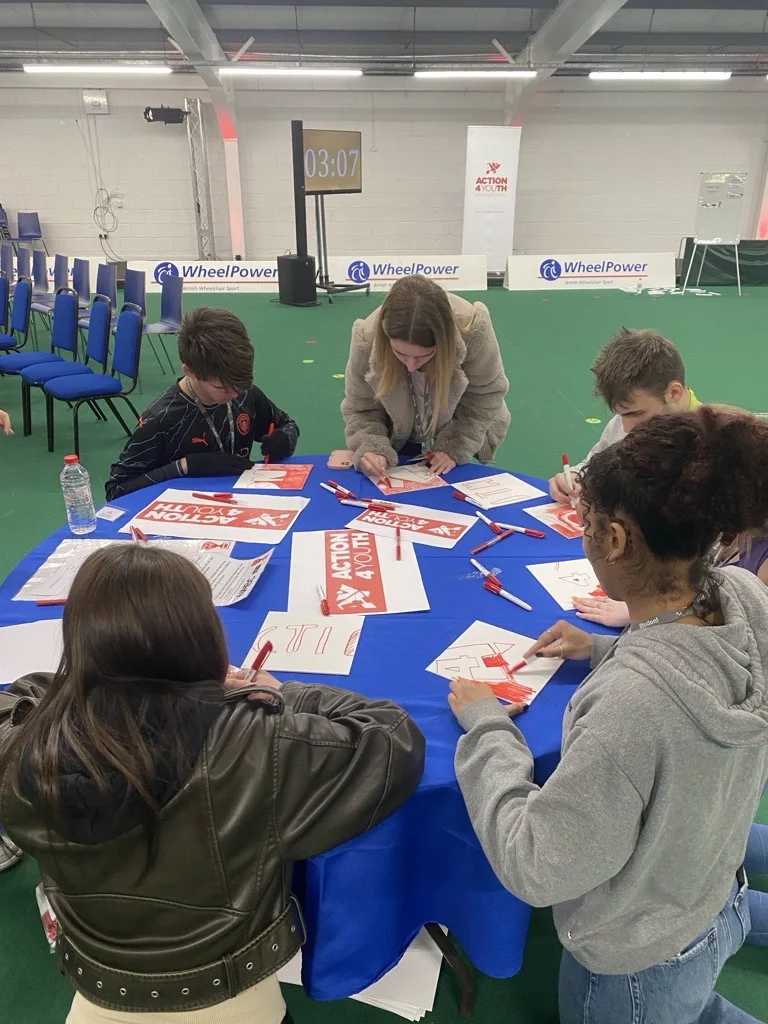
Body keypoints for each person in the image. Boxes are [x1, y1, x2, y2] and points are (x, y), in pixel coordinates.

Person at [0, 546, 424, 1024]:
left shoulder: (18, 750)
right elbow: (391, 738)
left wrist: (84, 685)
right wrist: (286, 692)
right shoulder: (259, 743)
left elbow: (19, 694)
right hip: (229, 992)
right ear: (202, 637)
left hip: (98, 988)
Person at [450, 406, 768, 1024]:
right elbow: (695, 669)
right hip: (712, 891)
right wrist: (604, 647)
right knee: (697, 1009)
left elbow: (538, 864)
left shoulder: (630, 707)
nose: (582, 531)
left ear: (617, 539)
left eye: (586, 523)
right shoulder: (748, 596)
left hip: (635, 959)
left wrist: (489, 728)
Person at [105, 307, 299, 500]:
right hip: (183, 516)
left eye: (241, 385)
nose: (235, 394)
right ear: (190, 371)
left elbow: (288, 424)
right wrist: (185, 466)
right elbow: (116, 490)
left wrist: (284, 438)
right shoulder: (160, 419)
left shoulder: (245, 393)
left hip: (241, 506)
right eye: (222, 387)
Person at [341, 274, 510, 479]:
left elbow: (486, 394)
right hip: (399, 430)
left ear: (444, 343)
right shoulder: (366, 339)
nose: (411, 366)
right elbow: (361, 407)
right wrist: (371, 445)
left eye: (424, 355)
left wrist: (454, 446)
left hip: (460, 425)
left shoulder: (473, 329)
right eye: (400, 354)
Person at [549, 327, 698, 504]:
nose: (626, 428)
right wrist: (575, 477)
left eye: (635, 413)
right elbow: (594, 465)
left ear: (673, 393)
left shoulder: (713, 442)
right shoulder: (622, 423)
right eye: (620, 415)